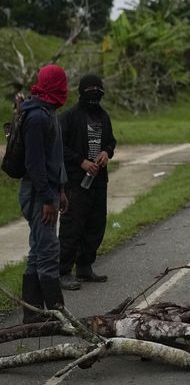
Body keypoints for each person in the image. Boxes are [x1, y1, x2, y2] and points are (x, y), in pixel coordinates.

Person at [19, 65, 69, 323]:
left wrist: (61, 190)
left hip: (48, 191)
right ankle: (57, 314)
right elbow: (34, 164)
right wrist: (48, 198)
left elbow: (54, 159)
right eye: (62, 83)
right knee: (48, 251)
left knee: (39, 250)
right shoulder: (37, 117)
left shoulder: (49, 113)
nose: (66, 88)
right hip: (38, 194)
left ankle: (34, 314)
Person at [58, 75, 117, 289]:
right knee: (72, 227)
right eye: (90, 88)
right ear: (82, 91)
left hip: (98, 181)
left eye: (98, 88)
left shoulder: (103, 116)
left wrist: (106, 152)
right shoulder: (69, 117)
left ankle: (84, 267)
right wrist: (81, 161)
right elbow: (60, 147)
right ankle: (63, 271)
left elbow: (111, 140)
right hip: (76, 182)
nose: (95, 91)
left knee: (95, 225)